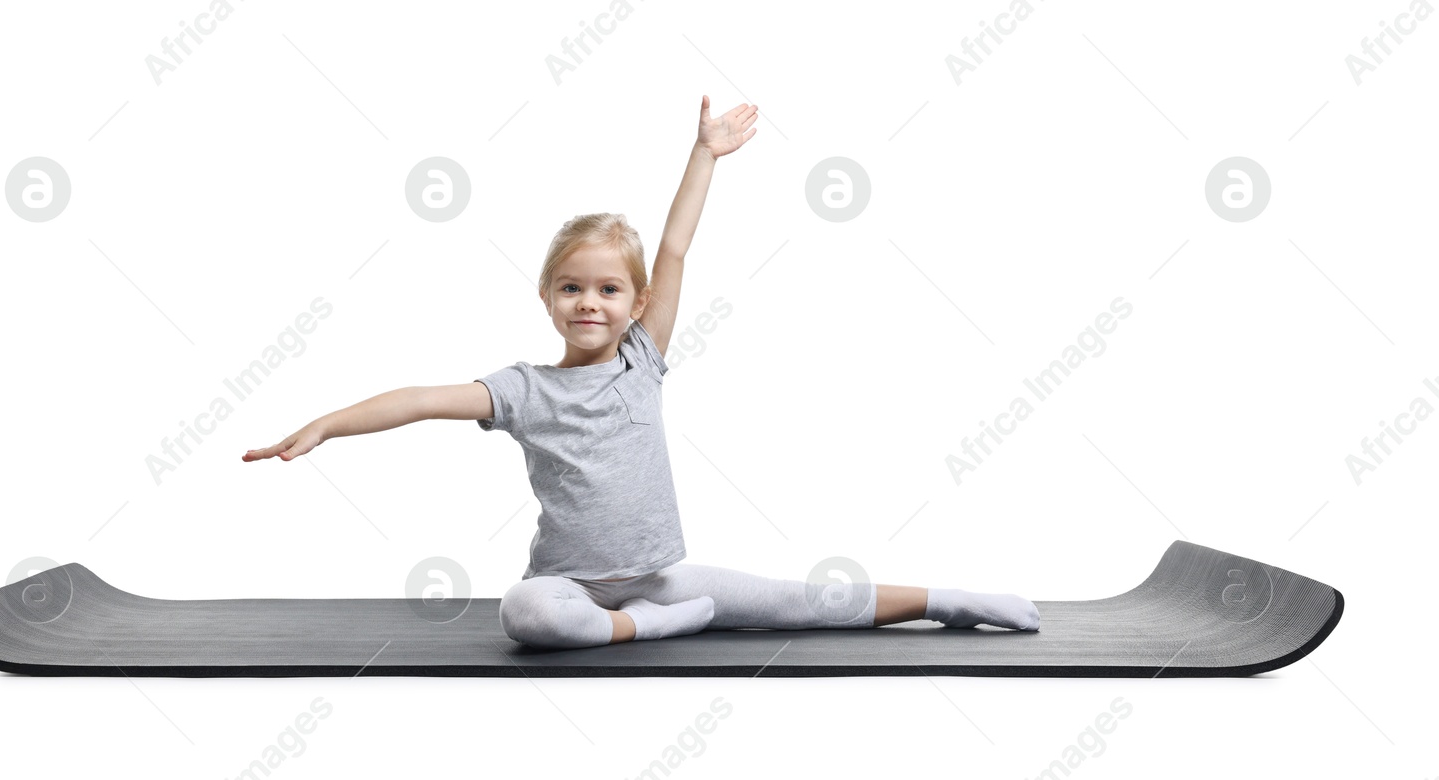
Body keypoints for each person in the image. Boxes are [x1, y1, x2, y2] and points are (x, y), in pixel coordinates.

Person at [243, 96, 1039, 649]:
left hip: (664, 578)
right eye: (572, 288)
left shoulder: (642, 359)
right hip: (576, 592)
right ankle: (647, 631)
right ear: (549, 299)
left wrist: (705, 154)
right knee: (523, 613)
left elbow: (677, 248)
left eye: (607, 289)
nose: (589, 302)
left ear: (636, 303)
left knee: (807, 601)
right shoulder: (522, 389)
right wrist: (323, 425)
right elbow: (419, 399)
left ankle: (954, 600)